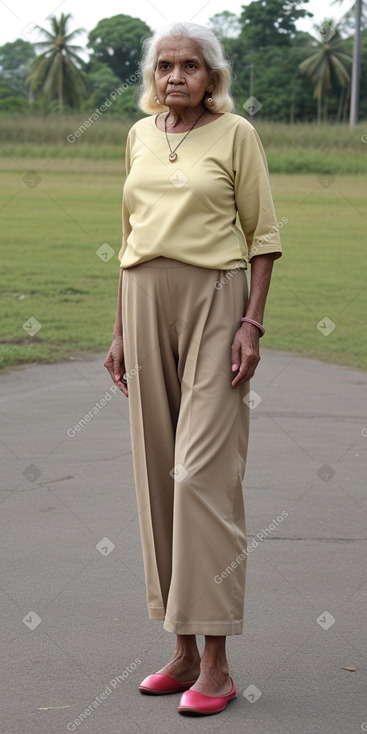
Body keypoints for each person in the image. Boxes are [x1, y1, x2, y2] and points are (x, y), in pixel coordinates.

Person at [104, 21, 282, 716]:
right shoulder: (139, 134)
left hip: (216, 299)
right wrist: (118, 329)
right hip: (143, 299)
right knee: (156, 474)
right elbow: (128, 235)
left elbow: (261, 234)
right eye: (165, 66)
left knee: (200, 477)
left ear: (212, 76)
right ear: (153, 76)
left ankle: (217, 663)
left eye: (189, 66)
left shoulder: (235, 134)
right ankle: (178, 650)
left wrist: (251, 322)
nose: (175, 76)